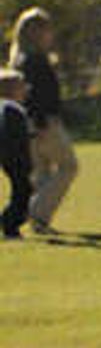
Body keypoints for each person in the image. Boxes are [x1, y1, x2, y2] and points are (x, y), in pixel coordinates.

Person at [7, 9, 78, 230]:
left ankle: (37, 220)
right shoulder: (35, 61)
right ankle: (37, 213)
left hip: (27, 124)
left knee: (43, 173)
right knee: (69, 166)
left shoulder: (20, 60)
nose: (51, 35)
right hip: (44, 122)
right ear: (36, 32)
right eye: (47, 30)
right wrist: (41, 123)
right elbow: (35, 95)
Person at [0, 69, 31, 238]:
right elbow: (13, 137)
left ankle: (10, 221)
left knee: (22, 190)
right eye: (22, 86)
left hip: (10, 157)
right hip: (15, 158)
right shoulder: (12, 111)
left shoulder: (7, 108)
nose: (26, 89)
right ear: (11, 90)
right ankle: (9, 223)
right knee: (23, 191)